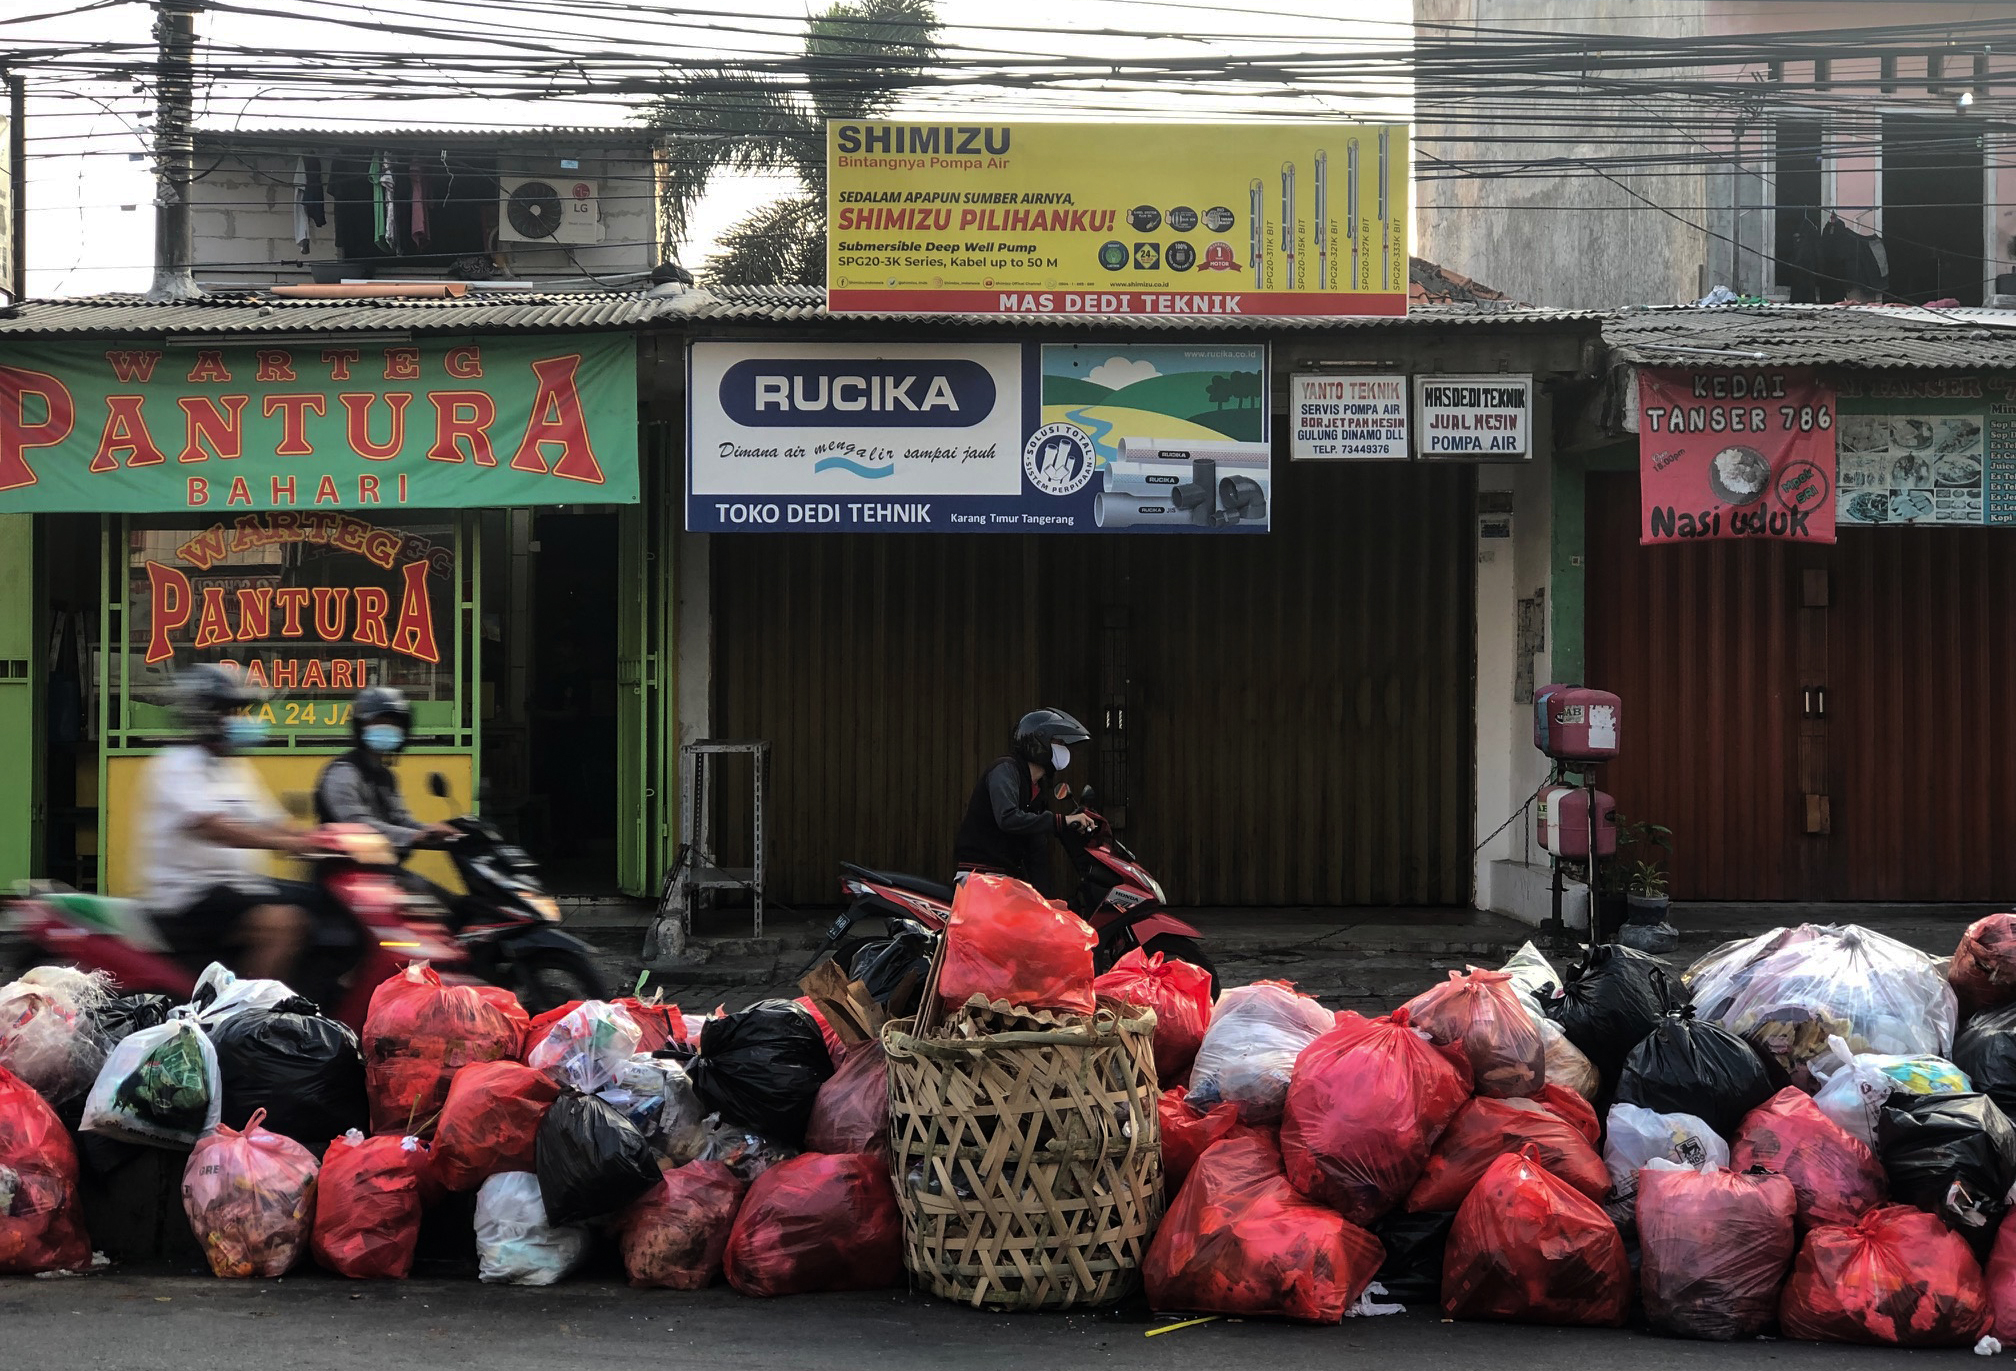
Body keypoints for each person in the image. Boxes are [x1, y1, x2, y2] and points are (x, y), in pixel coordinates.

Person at [134, 664, 324, 982]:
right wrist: (285, 842)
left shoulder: (234, 768)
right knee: (284, 924)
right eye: (232, 712)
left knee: (320, 902)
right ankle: (248, 1008)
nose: (241, 720)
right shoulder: (176, 765)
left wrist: (322, 839)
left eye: (241, 712)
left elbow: (272, 821)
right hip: (188, 899)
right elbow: (213, 826)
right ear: (205, 715)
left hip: (234, 889)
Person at [953, 707, 1094, 890]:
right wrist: (1062, 821)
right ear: (1039, 742)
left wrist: (1044, 898)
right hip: (981, 875)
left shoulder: (1036, 788)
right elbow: (1008, 818)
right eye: (1058, 742)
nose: (1064, 749)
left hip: (1005, 877)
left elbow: (1035, 846)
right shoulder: (1005, 770)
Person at [312, 685, 456, 855]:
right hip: (344, 865)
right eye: (378, 721)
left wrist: (431, 830)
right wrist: (413, 835)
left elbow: (400, 820)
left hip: (379, 864)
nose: (386, 727)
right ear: (360, 726)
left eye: (393, 723)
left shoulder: (386, 776)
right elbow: (356, 824)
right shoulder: (343, 772)